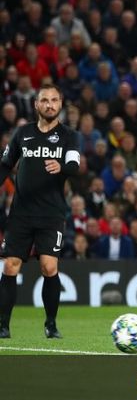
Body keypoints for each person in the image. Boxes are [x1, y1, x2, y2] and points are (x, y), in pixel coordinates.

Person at [0, 84, 80, 338]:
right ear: (36, 105)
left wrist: (62, 166)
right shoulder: (22, 133)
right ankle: (3, 325)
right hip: (21, 212)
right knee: (10, 266)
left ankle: (51, 324)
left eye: (54, 100)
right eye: (44, 100)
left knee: (48, 267)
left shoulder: (69, 136)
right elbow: (5, 164)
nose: (49, 105)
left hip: (51, 213)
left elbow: (74, 165)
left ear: (60, 104)